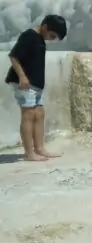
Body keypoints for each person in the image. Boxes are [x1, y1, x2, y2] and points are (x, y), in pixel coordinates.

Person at [6, 14, 68, 162]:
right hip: (25, 83)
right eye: (52, 36)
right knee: (28, 115)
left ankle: (40, 148)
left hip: (36, 84)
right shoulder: (29, 36)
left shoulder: (40, 39)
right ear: (45, 27)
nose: (51, 39)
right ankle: (29, 152)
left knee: (39, 113)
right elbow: (14, 56)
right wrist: (22, 76)